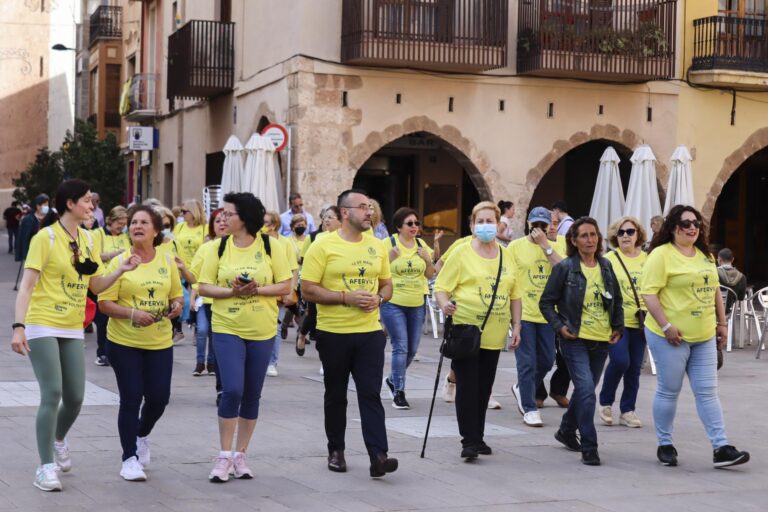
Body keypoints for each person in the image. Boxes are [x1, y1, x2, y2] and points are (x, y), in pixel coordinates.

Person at [11, 179, 140, 492]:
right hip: (42, 322)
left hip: (72, 325)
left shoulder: (87, 239)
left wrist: (121, 270)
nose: (91, 206)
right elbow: (27, 286)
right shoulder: (47, 237)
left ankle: (57, 438)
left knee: (75, 398)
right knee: (52, 392)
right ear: (70, 203)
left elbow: (95, 286)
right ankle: (44, 468)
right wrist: (19, 326)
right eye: (86, 201)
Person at [641, 205, 750, 468]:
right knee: (669, 391)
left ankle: (720, 447)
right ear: (673, 227)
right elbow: (649, 294)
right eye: (685, 223)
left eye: (696, 224)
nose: (692, 228)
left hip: (703, 336)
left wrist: (722, 323)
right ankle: (665, 444)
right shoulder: (660, 255)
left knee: (708, 392)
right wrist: (667, 326)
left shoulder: (705, 255)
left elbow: (714, 289)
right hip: (669, 336)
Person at [301, 189, 398, 478]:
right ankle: (336, 449)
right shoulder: (322, 245)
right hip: (333, 333)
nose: (370, 212)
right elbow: (308, 289)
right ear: (345, 212)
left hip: (369, 333)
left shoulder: (377, 246)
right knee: (336, 394)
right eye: (363, 207)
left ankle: (378, 456)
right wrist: (345, 298)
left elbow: (387, 286)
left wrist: (379, 299)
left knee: (370, 394)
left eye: (370, 207)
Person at [199, 192, 291, 482]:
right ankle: (224, 456)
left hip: (263, 329)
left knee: (253, 393)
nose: (222, 218)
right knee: (233, 389)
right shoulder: (218, 247)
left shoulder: (270, 246)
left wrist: (256, 290)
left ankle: (241, 455)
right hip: (227, 327)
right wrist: (232, 292)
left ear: (245, 217)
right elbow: (203, 287)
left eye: (228, 213)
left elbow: (285, 286)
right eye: (222, 213)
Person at [98, 205, 184, 481]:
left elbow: (177, 295)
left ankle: (141, 434)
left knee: (159, 398)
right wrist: (133, 313)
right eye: (133, 222)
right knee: (131, 397)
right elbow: (104, 303)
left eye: (144, 222)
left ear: (156, 230)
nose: (137, 226)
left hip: (159, 341)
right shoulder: (120, 262)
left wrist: (176, 306)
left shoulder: (167, 260)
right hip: (124, 341)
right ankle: (129, 458)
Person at [435, 201, 522, 459]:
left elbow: (515, 293)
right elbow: (441, 286)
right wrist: (444, 304)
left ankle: (479, 436)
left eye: (490, 221)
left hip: (494, 332)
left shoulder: (507, 255)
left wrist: (516, 325)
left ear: (498, 224)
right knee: (468, 386)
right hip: (466, 330)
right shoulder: (462, 252)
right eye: (480, 222)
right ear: (472, 225)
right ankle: (468, 441)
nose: (486, 226)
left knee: (484, 387)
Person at [540, 217, 623, 466]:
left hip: (601, 339)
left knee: (585, 392)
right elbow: (546, 302)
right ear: (574, 241)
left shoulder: (606, 266)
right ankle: (589, 445)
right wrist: (560, 327)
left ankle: (566, 430)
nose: (590, 240)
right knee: (587, 390)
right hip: (574, 337)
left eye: (593, 234)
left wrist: (617, 326)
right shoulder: (565, 268)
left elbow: (616, 300)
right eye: (584, 236)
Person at [508, 207, 566, 426]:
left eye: (544, 225)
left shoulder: (556, 244)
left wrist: (546, 246)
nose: (539, 230)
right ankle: (529, 407)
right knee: (527, 362)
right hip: (523, 311)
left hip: (548, 313)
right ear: (528, 225)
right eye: (536, 226)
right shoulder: (515, 247)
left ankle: (522, 387)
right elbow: (509, 278)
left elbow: (565, 270)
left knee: (547, 360)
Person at [381, 207, 436, 409]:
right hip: (393, 302)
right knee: (401, 347)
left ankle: (392, 379)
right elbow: (376, 270)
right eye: (409, 223)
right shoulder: (388, 244)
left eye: (416, 223)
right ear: (399, 227)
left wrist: (428, 260)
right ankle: (399, 392)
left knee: (412, 349)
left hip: (417, 303)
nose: (414, 227)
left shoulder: (422, 245)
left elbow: (430, 275)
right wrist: (389, 258)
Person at [598, 217, 648, 428]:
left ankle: (628, 410)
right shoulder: (609, 259)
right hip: (617, 321)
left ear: (638, 235)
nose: (626, 236)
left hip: (643, 320)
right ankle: (605, 402)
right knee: (620, 360)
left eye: (630, 231)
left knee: (635, 367)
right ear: (615, 236)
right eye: (621, 232)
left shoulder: (648, 259)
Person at [296, 206, 341, 357]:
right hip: (316, 285)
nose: (326, 220)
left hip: (336, 286)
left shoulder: (346, 240)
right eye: (325, 217)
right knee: (313, 314)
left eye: (330, 217)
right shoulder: (315, 237)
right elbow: (304, 259)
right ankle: (302, 335)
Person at [190, 208, 227, 378]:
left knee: (216, 335)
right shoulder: (206, 248)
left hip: (227, 302)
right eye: (217, 221)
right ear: (212, 225)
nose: (222, 224)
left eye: (224, 220)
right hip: (206, 300)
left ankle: (212, 363)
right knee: (203, 330)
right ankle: (200, 362)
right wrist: (192, 296)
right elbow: (194, 276)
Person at [91, 206, 130, 366]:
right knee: (102, 319)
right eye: (119, 223)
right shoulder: (98, 234)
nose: (121, 226)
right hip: (103, 280)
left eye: (124, 223)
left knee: (116, 318)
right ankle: (102, 353)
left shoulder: (125, 236)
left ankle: (116, 350)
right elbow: (93, 255)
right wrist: (113, 255)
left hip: (121, 281)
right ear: (111, 220)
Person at [263, 210, 300, 378]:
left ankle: (272, 362)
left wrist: (290, 290)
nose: (264, 226)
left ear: (275, 225)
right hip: (262, 289)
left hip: (279, 290)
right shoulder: (259, 241)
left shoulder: (285, 243)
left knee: (275, 328)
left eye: (267, 223)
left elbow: (293, 268)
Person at [173, 199, 207, 337]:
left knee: (196, 298)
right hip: (181, 267)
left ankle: (197, 328)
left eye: (185, 211)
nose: (182, 214)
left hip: (198, 268)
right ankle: (178, 329)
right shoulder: (180, 227)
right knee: (178, 297)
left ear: (193, 212)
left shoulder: (204, 228)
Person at [280, 214, 308, 341]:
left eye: (303, 225)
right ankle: (285, 325)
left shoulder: (308, 239)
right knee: (293, 304)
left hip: (306, 274)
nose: (301, 227)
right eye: (298, 225)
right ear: (292, 227)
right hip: (293, 275)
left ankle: (301, 333)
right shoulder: (287, 241)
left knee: (304, 306)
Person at [15, 194, 49, 263]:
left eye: (47, 205)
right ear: (38, 206)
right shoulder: (29, 219)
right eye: (45, 205)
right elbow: (24, 239)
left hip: (48, 253)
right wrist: (25, 256)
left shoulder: (49, 218)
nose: (47, 207)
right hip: (33, 254)